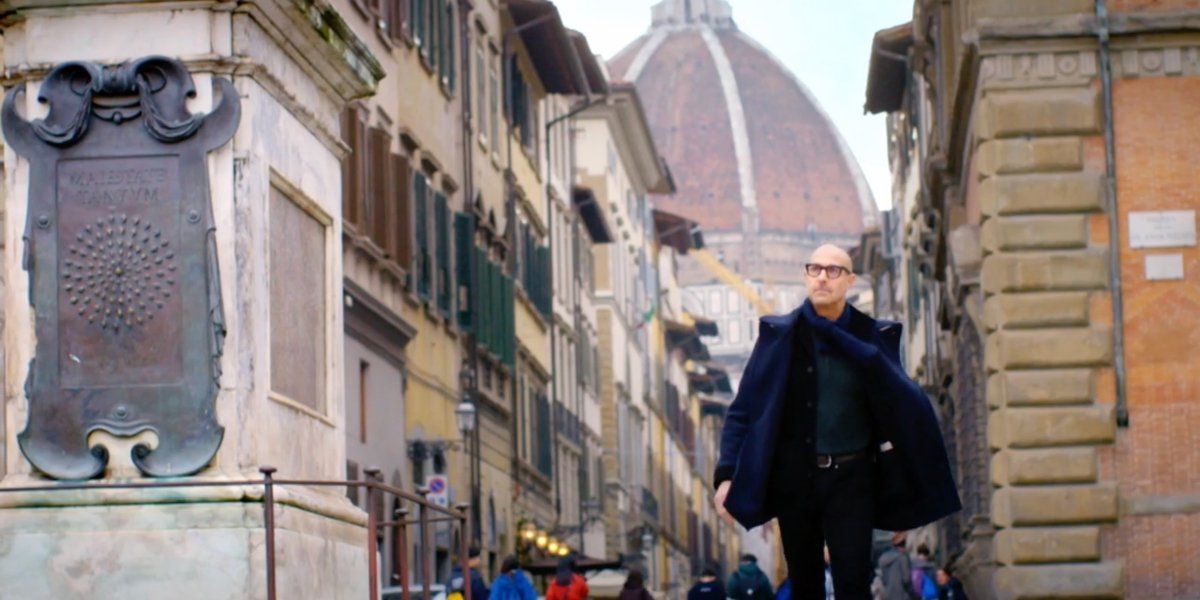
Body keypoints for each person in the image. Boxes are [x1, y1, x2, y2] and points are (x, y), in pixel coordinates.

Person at [712, 244, 961, 599]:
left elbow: (905, 410)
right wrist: (725, 476)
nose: (823, 278)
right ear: (806, 276)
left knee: (853, 584)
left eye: (833, 271)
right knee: (806, 585)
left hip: (853, 478)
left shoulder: (871, 337)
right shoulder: (779, 338)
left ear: (850, 281)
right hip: (795, 480)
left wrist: (908, 486)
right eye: (815, 269)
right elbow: (743, 411)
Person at [878, 533, 917, 600]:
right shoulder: (902, 558)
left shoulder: (883, 558)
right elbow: (906, 580)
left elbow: (883, 579)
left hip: (887, 595)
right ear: (904, 544)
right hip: (902, 595)